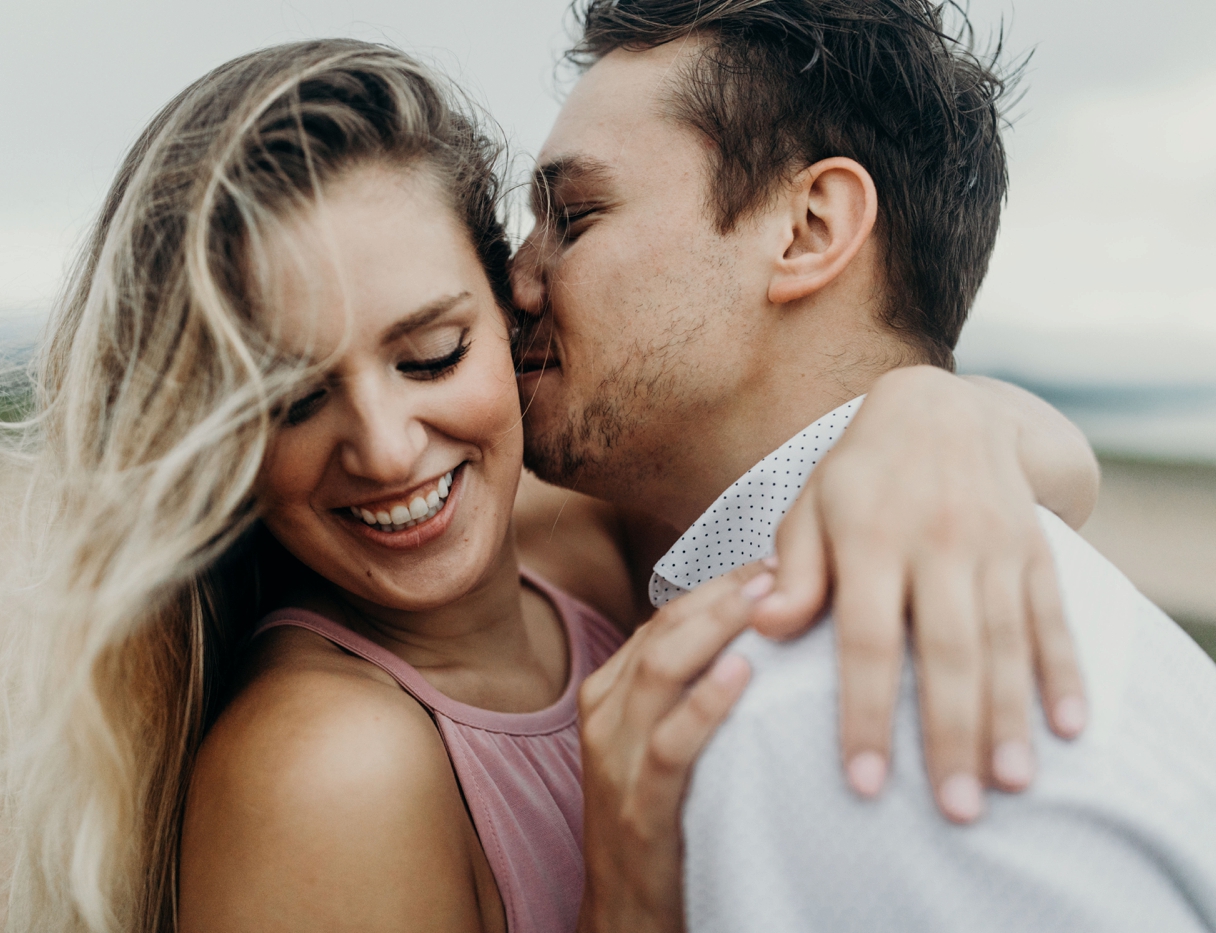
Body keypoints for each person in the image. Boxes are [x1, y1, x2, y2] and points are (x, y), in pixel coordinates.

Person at [0, 34, 1090, 933]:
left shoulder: (587, 543)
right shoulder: (324, 769)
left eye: (428, 356)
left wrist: (923, 416)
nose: (388, 448)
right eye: (289, 400)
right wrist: (629, 893)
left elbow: (1063, 475)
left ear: (513, 305)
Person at [508, 1, 1216, 930]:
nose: (517, 279)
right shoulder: (1030, 606)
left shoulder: (842, 716)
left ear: (807, 229)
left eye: (576, 215)